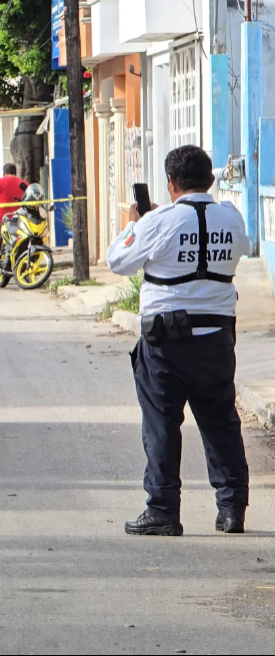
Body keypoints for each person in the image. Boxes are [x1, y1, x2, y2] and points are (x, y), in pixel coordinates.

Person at [107, 144, 251, 536]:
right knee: (221, 421)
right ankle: (232, 508)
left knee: (162, 425)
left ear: (171, 183)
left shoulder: (159, 221)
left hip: (165, 341)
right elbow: (242, 248)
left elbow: (118, 261)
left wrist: (136, 224)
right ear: (210, 179)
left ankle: (163, 509)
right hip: (217, 338)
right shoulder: (233, 217)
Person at [0, 163, 28, 257]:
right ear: (15, 172)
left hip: (1, 219)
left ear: (4, 172)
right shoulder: (23, 183)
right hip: (19, 219)